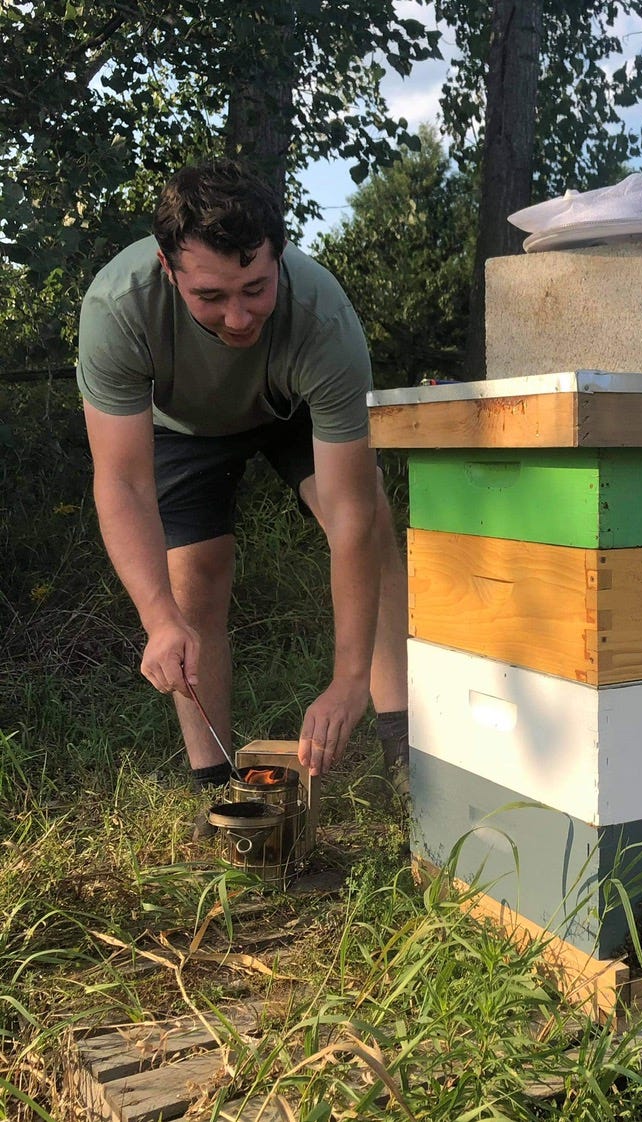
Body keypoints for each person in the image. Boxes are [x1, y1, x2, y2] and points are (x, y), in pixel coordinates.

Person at [76, 160, 410, 818]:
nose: (237, 317)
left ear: (279, 259)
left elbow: (349, 518)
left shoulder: (323, 317)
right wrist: (158, 619)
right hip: (181, 423)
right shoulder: (117, 307)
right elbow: (122, 482)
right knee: (195, 574)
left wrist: (347, 681)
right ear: (169, 271)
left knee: (374, 522)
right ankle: (218, 786)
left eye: (256, 289)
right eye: (210, 297)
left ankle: (402, 745)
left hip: (290, 408)